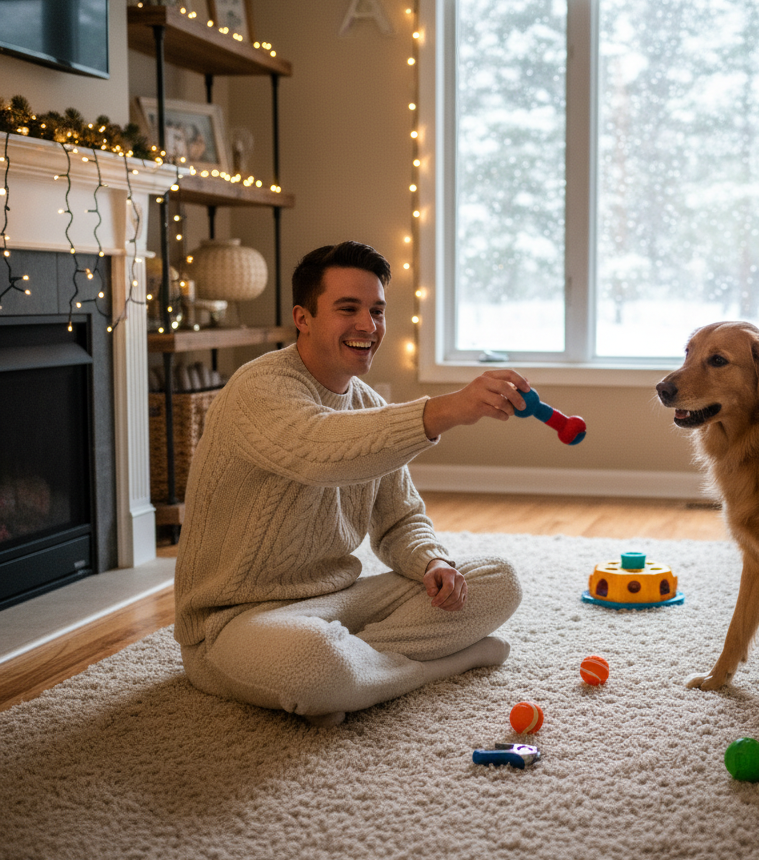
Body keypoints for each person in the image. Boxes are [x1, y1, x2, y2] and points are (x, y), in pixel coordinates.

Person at [173, 241, 528, 727]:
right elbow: (319, 450)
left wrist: (433, 562)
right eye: (348, 309)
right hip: (233, 621)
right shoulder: (258, 388)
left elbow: (400, 519)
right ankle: (440, 663)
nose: (368, 325)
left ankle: (354, 675)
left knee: (498, 581)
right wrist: (447, 410)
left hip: (337, 601)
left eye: (377, 311)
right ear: (303, 318)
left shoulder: (366, 404)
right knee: (313, 664)